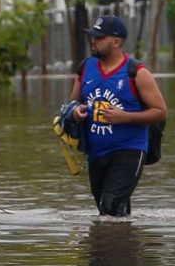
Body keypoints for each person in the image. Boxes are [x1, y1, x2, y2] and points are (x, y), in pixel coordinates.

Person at [68, 15, 168, 217]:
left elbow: (160, 111)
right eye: (92, 36)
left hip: (129, 150)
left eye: (99, 37)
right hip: (96, 154)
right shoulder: (86, 68)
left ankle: (116, 245)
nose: (93, 41)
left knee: (111, 207)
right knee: (109, 214)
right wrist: (75, 112)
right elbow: (72, 103)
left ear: (116, 42)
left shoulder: (136, 72)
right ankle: (125, 246)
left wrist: (125, 117)